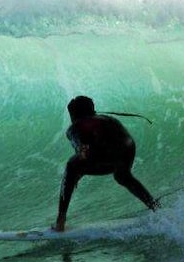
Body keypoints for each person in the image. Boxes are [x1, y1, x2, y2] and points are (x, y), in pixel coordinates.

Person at [54, 96, 158, 232]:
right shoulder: (109, 119)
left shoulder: (75, 127)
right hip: (127, 149)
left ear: (74, 114)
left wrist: (78, 165)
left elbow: (80, 146)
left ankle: (60, 220)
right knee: (123, 176)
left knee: (71, 166)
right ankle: (155, 207)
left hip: (105, 153)